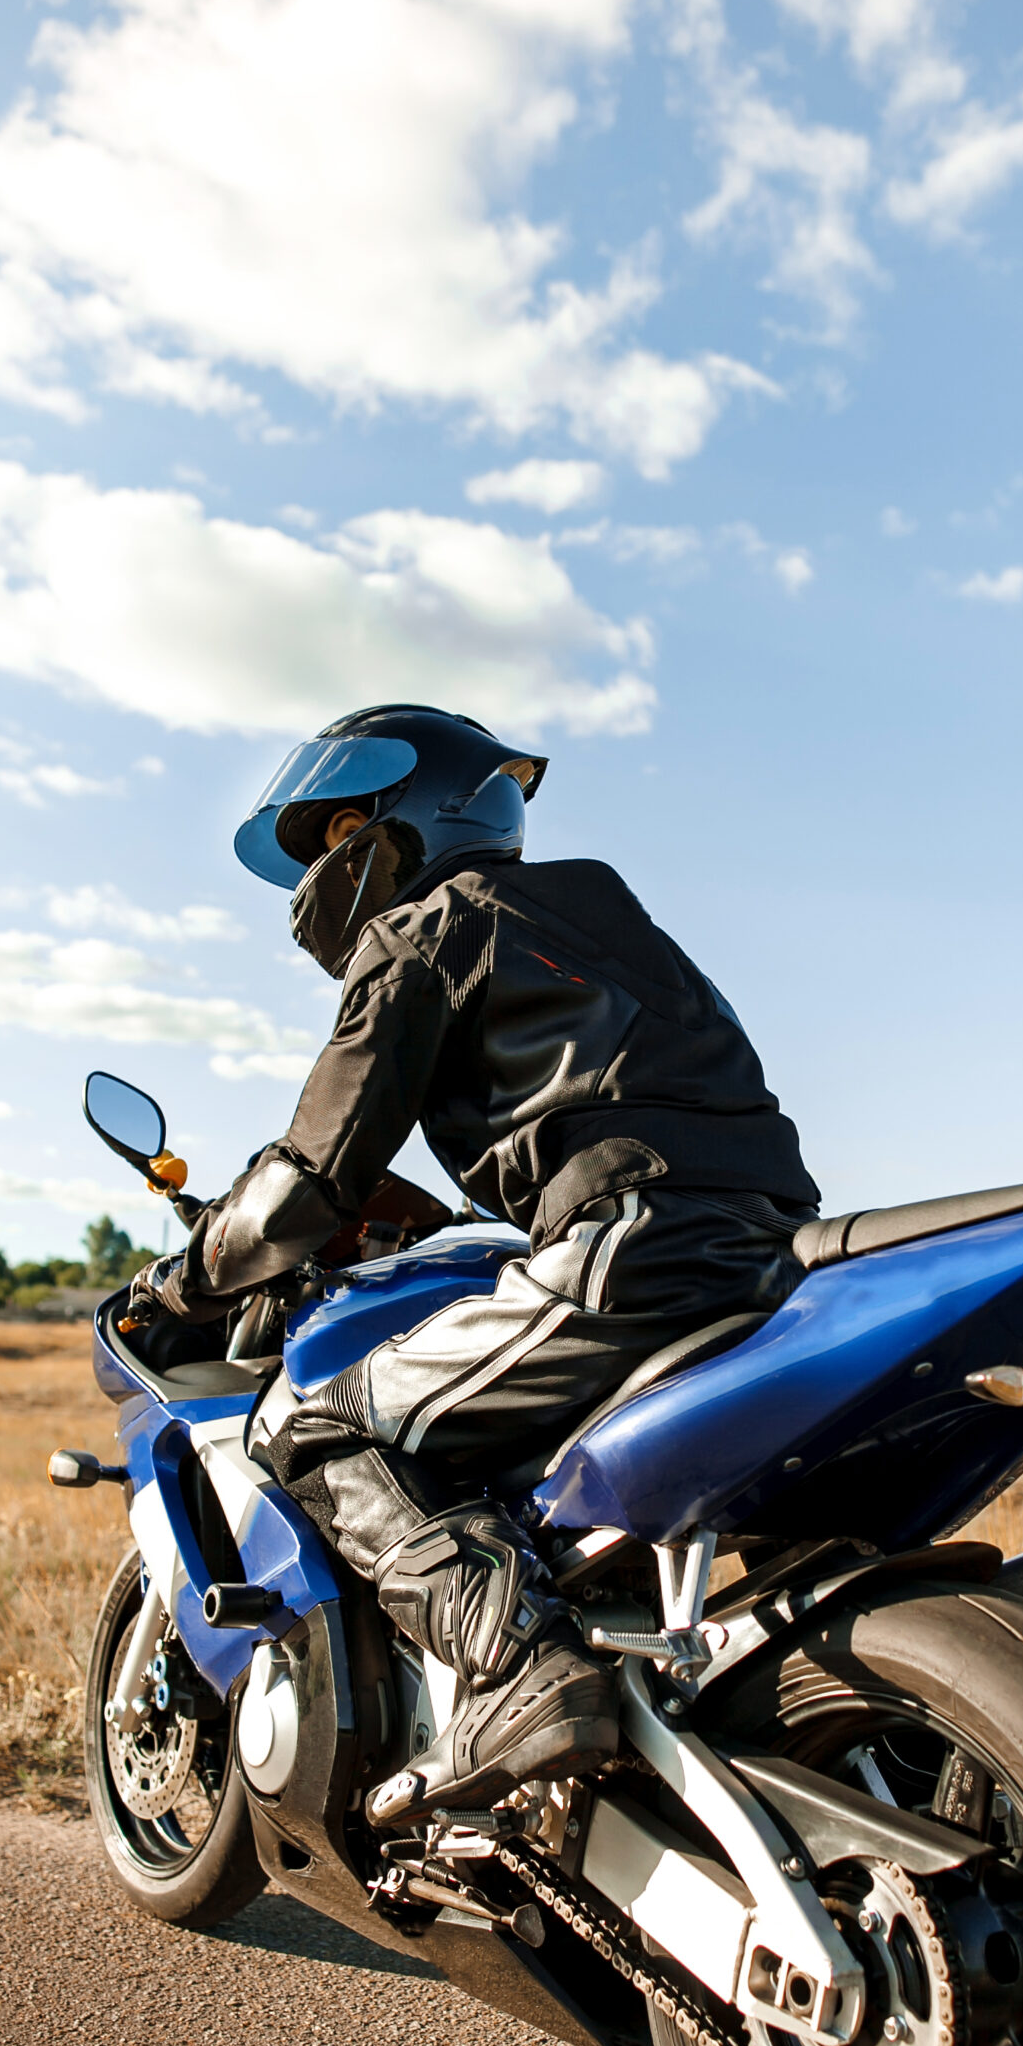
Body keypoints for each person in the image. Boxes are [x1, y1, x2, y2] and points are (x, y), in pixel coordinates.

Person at [129, 704, 817, 1821]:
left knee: (317, 1427)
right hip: (775, 1259)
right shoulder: (613, 925)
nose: (324, 867)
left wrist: (182, 1281)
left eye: (338, 829)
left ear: (407, 817)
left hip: (630, 1253)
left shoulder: (429, 928)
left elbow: (306, 1185)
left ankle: (517, 1665)